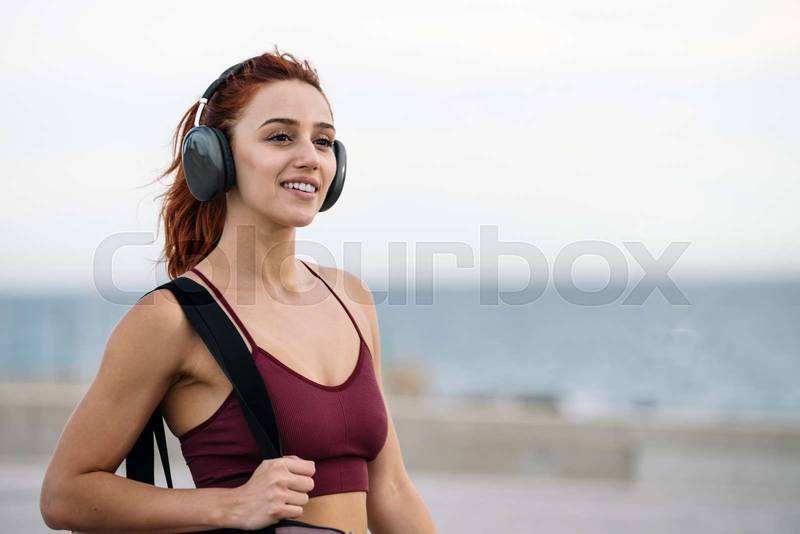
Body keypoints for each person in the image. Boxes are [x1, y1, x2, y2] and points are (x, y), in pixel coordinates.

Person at [40, 47, 437, 534]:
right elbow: (65, 495)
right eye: (280, 137)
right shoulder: (173, 318)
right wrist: (230, 506)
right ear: (215, 158)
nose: (309, 158)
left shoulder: (350, 299)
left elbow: (391, 489)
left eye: (324, 141)